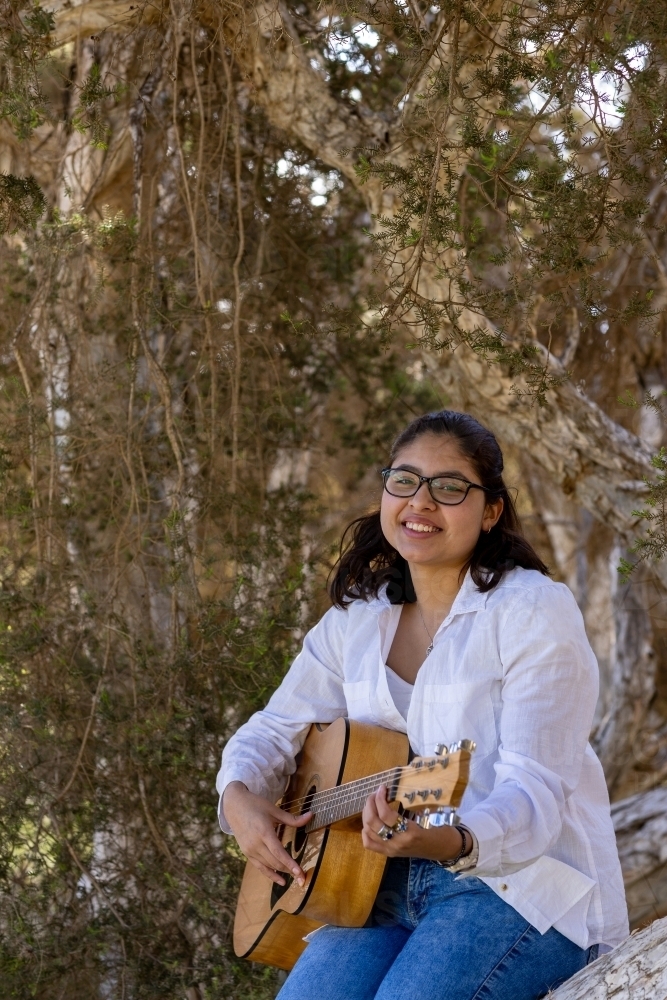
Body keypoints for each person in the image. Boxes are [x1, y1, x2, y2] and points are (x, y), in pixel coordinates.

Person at [217, 410, 628, 1000]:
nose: (421, 502)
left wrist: (450, 839)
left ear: (491, 511)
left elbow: (534, 793)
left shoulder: (531, 613)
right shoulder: (359, 618)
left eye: (449, 487)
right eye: (404, 481)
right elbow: (274, 729)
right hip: (374, 884)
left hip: (521, 891)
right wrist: (239, 797)